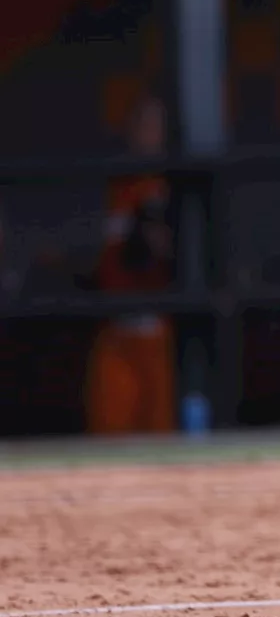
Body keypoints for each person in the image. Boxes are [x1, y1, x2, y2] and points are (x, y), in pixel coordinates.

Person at [85, 94, 177, 433]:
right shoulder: (119, 185)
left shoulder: (174, 187)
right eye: (139, 125)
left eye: (153, 127)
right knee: (108, 432)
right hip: (115, 326)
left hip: (157, 329)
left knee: (159, 436)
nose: (145, 134)